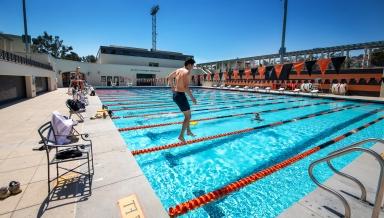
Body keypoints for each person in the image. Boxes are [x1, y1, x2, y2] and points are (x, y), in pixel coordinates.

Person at [167, 58, 197, 142]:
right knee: (187, 116)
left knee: (188, 115)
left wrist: (172, 87)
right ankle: (181, 136)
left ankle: (188, 131)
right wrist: (193, 98)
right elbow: (186, 87)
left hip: (176, 95)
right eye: (193, 66)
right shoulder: (187, 72)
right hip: (180, 95)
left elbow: (169, 77)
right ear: (189, 65)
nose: (193, 68)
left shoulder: (178, 70)